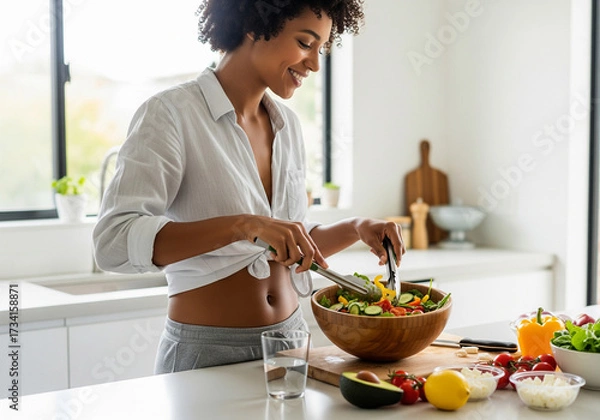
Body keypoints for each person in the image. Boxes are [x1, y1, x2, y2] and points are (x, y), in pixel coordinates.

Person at [93, 0, 405, 374]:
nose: (315, 64)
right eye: (306, 44)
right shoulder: (171, 114)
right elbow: (112, 243)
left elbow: (283, 243)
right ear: (255, 26)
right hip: (207, 355)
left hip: (290, 345)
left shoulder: (286, 126)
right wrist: (244, 225)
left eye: (320, 50)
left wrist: (355, 228)